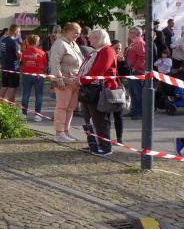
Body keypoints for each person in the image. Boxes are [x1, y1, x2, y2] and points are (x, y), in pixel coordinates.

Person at [79, 28, 118, 156]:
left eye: (92, 37)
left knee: (99, 119)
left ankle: (105, 147)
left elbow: (98, 70)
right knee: (88, 117)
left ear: (98, 38)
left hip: (100, 90)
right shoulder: (95, 52)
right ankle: (94, 143)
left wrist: (81, 80)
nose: (90, 40)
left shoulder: (107, 50)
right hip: (89, 87)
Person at [50, 23, 84, 142]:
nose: (77, 35)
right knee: (62, 107)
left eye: (79, 33)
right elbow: (55, 62)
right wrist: (59, 79)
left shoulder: (74, 44)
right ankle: (59, 133)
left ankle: (66, 131)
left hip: (75, 81)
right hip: (64, 81)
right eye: (75, 32)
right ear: (67, 31)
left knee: (70, 108)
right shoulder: (60, 43)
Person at [20, 34, 47, 121]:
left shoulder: (24, 52)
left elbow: (22, 63)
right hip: (38, 75)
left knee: (25, 94)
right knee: (39, 95)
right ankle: (37, 115)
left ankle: (24, 114)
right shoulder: (42, 53)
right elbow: (45, 64)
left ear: (28, 42)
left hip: (26, 75)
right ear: (37, 42)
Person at [125, 26, 146, 120]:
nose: (129, 34)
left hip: (137, 71)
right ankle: (134, 110)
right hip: (132, 70)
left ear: (136, 34)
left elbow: (142, 57)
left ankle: (139, 113)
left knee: (138, 92)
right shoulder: (133, 43)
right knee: (133, 92)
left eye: (131, 32)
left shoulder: (140, 43)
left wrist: (135, 67)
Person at [0, 24, 21, 102]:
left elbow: (1, 53)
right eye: (19, 31)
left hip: (4, 67)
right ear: (15, 31)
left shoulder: (3, 41)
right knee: (12, 88)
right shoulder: (14, 42)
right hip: (13, 67)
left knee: (4, 86)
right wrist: (20, 57)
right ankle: (10, 107)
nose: (19, 33)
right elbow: (18, 55)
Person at [110, 40, 127, 144]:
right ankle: (105, 138)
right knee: (106, 114)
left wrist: (123, 63)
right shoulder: (107, 57)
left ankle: (119, 138)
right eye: (116, 48)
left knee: (118, 114)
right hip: (107, 89)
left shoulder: (121, 59)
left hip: (118, 89)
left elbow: (127, 73)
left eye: (119, 48)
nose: (118, 50)